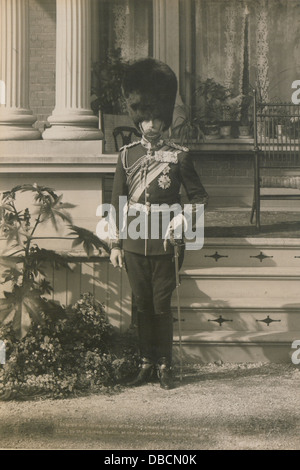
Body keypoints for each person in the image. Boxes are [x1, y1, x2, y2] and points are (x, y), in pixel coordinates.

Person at [110, 58, 208, 389]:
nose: (150, 124)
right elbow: (117, 204)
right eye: (145, 118)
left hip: (167, 242)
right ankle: (145, 362)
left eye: (155, 118)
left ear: (164, 118)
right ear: (137, 119)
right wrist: (114, 244)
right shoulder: (126, 156)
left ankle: (165, 364)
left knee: (161, 305)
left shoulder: (180, 155)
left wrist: (182, 220)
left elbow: (199, 199)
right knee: (141, 304)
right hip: (135, 242)